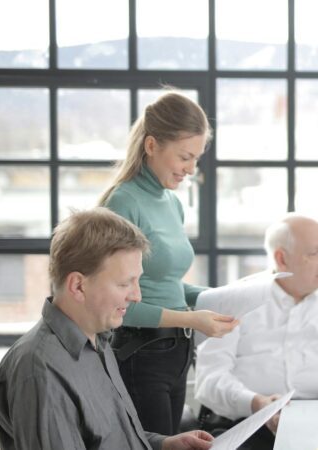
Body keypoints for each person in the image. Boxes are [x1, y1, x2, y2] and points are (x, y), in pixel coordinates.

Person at [0, 208, 215, 450]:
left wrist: (165, 445)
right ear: (78, 286)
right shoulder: (40, 369)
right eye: (124, 283)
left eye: (137, 281)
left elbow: (111, 439)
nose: (137, 295)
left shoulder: (100, 341)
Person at [99, 91, 238, 435]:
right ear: (151, 146)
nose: (191, 169)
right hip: (141, 354)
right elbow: (118, 305)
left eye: (196, 158)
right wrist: (192, 317)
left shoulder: (171, 203)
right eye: (184, 157)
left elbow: (168, 286)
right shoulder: (123, 203)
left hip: (176, 354)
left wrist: (222, 298)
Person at [194, 214, 318, 450]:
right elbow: (209, 381)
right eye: (314, 253)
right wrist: (257, 403)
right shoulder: (235, 301)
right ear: (281, 258)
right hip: (244, 425)